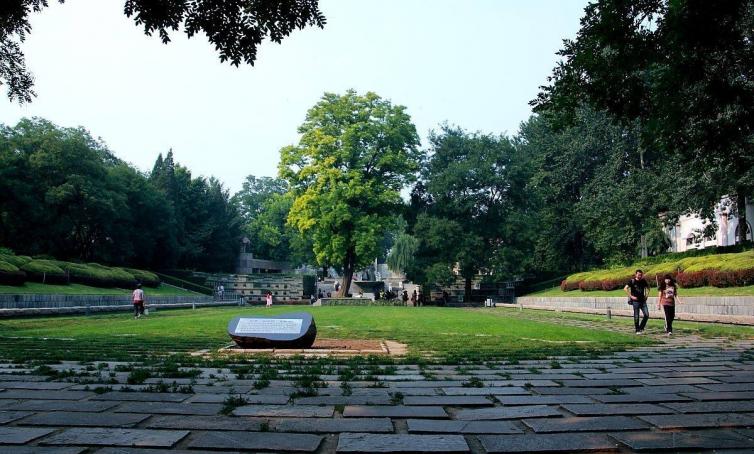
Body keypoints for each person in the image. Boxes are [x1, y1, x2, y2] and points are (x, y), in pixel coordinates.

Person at [624, 269, 650, 334]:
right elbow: (625, 288)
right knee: (636, 315)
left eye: (641, 275)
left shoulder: (643, 281)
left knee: (646, 315)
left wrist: (646, 296)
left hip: (643, 301)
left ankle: (641, 327)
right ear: (636, 274)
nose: (640, 276)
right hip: (635, 301)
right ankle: (637, 329)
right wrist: (631, 296)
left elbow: (648, 288)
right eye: (638, 275)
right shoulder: (632, 281)